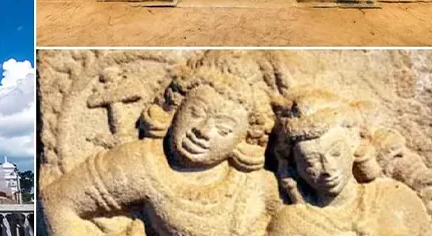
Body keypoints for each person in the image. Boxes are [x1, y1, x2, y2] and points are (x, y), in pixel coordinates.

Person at [40, 57, 279, 236]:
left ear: (243, 140)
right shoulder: (143, 164)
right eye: (196, 113)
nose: (203, 131)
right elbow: (57, 202)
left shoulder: (259, 184)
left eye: (224, 129)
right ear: (175, 109)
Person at [268, 89, 432, 236]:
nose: (327, 169)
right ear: (295, 166)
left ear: (353, 144)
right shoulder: (291, 224)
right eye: (311, 162)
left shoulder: (393, 197)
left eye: (335, 153)